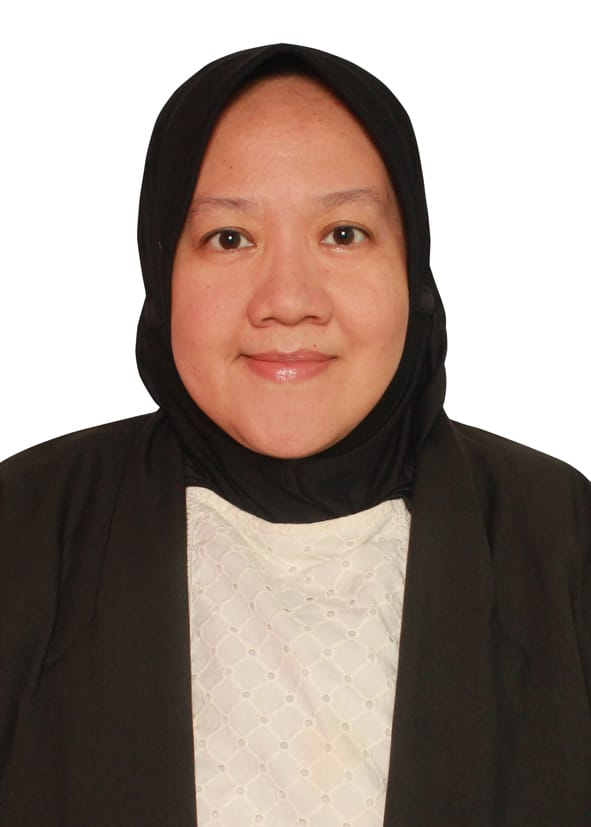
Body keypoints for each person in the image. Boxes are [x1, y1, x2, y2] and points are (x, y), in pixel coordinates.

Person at [0, 43, 589, 827]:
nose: (286, 299)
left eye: (342, 233)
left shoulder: (559, 535)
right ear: (161, 268)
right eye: (229, 238)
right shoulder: (23, 532)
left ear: (411, 267)